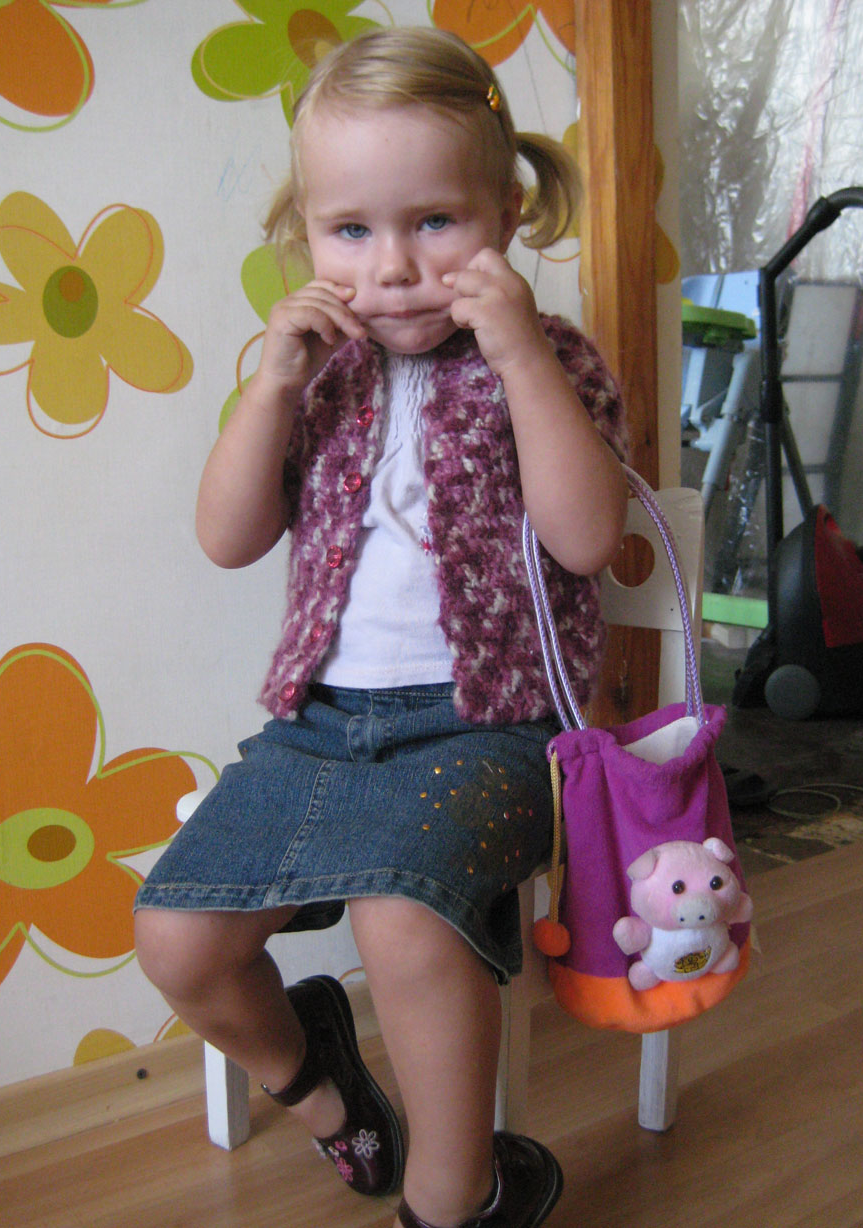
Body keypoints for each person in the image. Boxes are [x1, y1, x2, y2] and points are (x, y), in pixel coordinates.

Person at [135, 26, 629, 1228]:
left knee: (403, 916)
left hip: (491, 728)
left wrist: (523, 357)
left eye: (436, 222)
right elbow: (228, 537)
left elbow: (586, 541)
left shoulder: (551, 360)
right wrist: (270, 386)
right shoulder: (319, 373)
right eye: (351, 230)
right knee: (176, 937)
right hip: (319, 727)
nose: (395, 267)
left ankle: (460, 1193)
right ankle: (319, 1083)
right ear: (306, 232)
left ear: (507, 214)